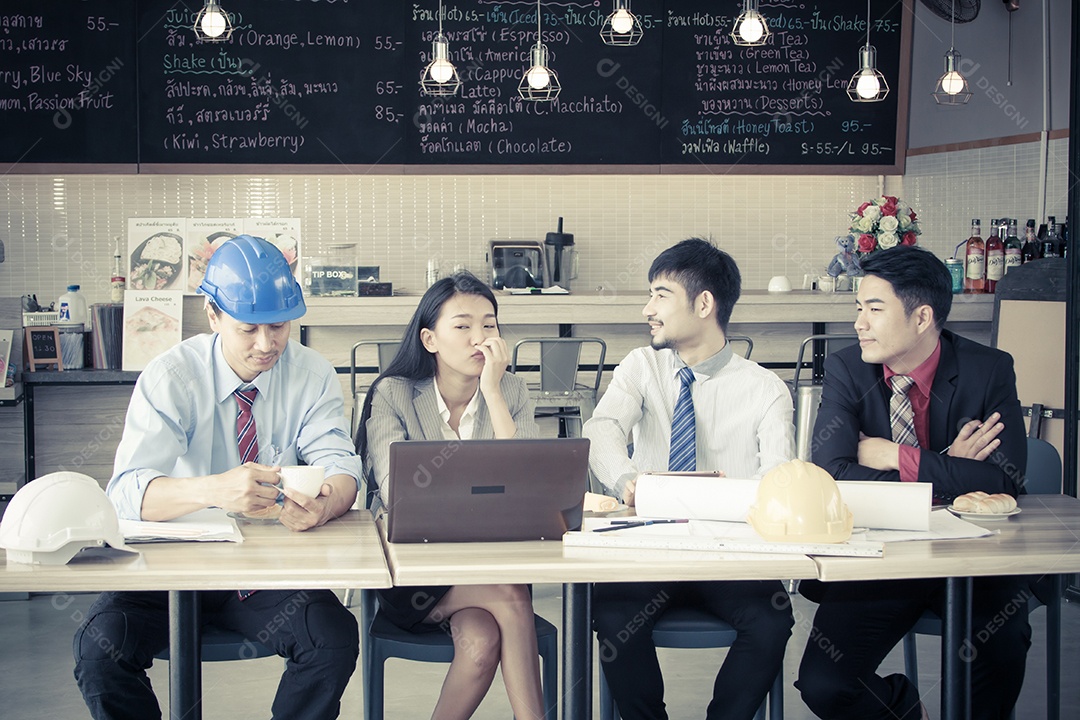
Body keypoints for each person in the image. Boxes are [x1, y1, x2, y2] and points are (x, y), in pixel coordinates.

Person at [73, 235, 362, 720]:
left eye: (279, 327)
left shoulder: (311, 374)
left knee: (332, 639)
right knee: (98, 651)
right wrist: (215, 489)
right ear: (213, 316)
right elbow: (124, 494)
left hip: (262, 573)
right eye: (248, 328)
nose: (266, 344)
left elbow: (342, 464)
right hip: (166, 569)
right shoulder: (171, 376)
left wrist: (327, 501)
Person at [796, 245, 1031, 720]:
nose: (860, 322)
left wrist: (892, 456)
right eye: (858, 308)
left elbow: (1007, 479)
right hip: (880, 555)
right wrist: (947, 467)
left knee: (1001, 649)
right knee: (825, 684)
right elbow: (832, 476)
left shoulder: (988, 370)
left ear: (922, 316)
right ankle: (903, 707)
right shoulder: (847, 368)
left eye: (874, 309)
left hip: (974, 558)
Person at [583, 238, 795, 720]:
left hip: (730, 553)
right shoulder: (642, 366)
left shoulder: (765, 390)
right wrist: (627, 479)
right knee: (614, 615)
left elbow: (777, 478)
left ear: (704, 304)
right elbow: (602, 427)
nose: (647, 309)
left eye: (660, 295)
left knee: (772, 619)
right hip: (651, 544)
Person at [357, 271, 546, 720]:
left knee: (480, 644)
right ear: (430, 339)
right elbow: (397, 489)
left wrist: (494, 393)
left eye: (489, 324)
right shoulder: (394, 394)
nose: (479, 337)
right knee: (513, 597)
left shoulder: (513, 390)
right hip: (418, 570)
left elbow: (529, 484)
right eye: (462, 326)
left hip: (490, 562)